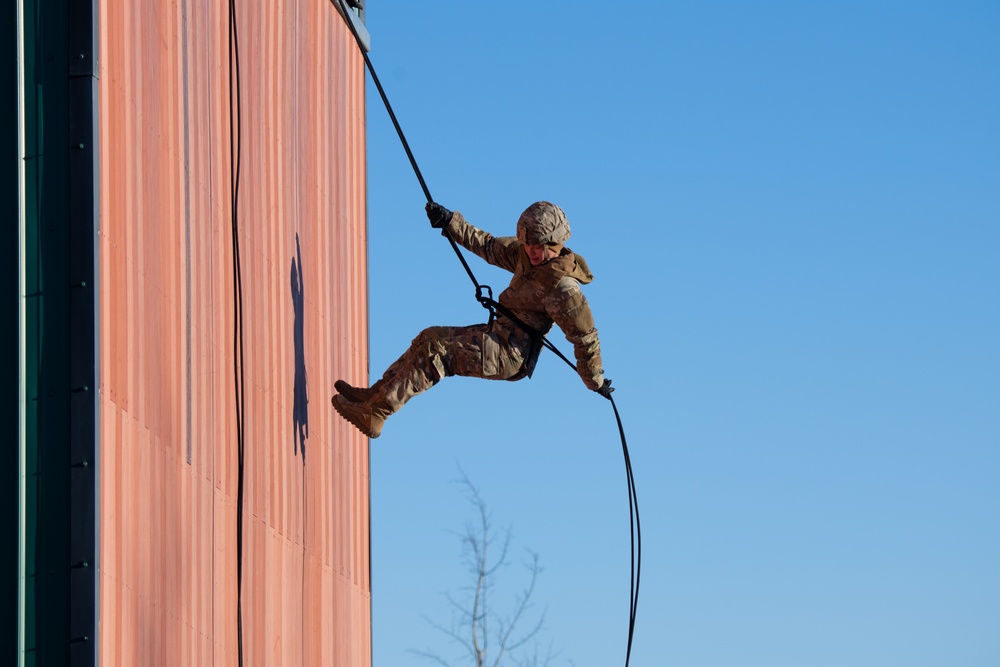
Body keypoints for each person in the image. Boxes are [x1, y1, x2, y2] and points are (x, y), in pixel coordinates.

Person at [331, 200, 613, 438]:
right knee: (429, 337)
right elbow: (488, 246)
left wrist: (595, 381)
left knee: (436, 353)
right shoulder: (526, 257)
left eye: (538, 246)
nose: (532, 251)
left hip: (509, 355)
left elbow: (585, 338)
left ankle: (378, 414)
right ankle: (374, 397)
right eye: (528, 244)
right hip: (497, 334)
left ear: (556, 243)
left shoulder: (564, 289)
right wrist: (450, 222)